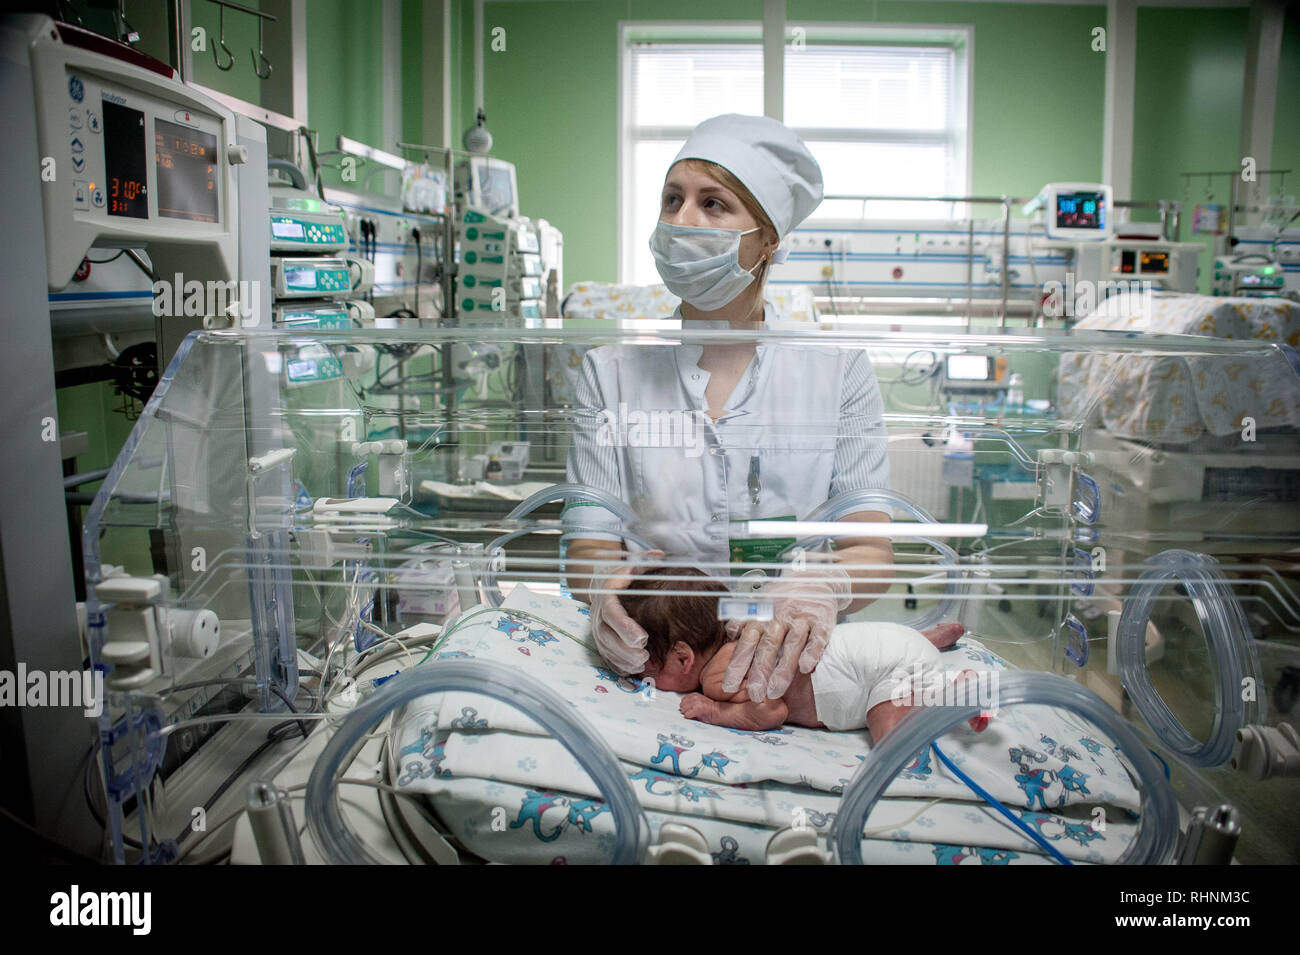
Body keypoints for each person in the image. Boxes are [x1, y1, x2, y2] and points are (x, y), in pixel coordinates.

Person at [565, 114, 895, 704]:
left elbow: (870, 550)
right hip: (653, 658)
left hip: (787, 665)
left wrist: (824, 589)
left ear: (768, 238)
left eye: (713, 204)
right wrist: (601, 588)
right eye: (673, 198)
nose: (682, 220)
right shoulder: (609, 373)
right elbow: (591, 543)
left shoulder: (837, 371)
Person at [621, 568, 986, 739]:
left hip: (888, 667)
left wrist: (715, 710)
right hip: (885, 642)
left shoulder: (719, 676)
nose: (640, 674)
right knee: (856, 645)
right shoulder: (739, 621)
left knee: (889, 737)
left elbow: (772, 710)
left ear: (684, 658)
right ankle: (925, 641)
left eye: (647, 666)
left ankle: (954, 692)